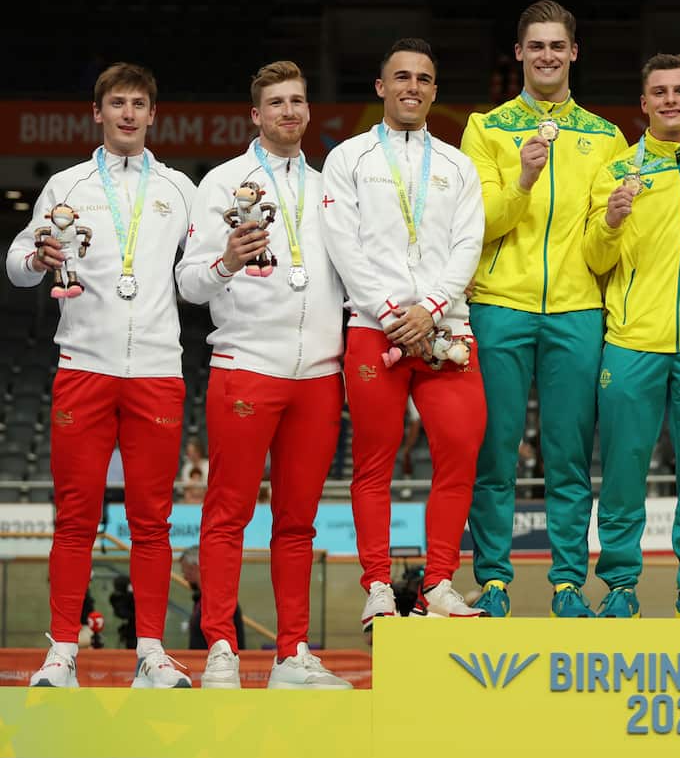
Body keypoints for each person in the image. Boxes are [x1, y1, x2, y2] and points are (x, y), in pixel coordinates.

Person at [8, 62, 194, 688]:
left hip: (157, 372)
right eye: (118, 103)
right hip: (83, 366)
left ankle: (150, 651)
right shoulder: (66, 185)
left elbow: (197, 274)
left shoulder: (177, 187)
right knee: (75, 518)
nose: (129, 113)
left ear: (152, 114)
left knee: (151, 520)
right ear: (98, 112)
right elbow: (16, 264)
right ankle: (62, 652)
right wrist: (37, 254)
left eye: (140, 103)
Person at [176, 60, 350, 690]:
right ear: (256, 114)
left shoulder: (331, 184)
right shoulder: (222, 182)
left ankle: (291, 655)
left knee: (299, 521)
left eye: (298, 101)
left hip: (319, 374)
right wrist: (225, 260)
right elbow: (188, 283)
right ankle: (221, 646)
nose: (288, 111)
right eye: (275, 102)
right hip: (247, 365)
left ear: (308, 112)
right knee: (227, 514)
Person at [461, 0, 627, 617]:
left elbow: (599, 243)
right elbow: (479, 221)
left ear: (573, 53)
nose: (548, 56)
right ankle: (495, 580)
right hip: (500, 304)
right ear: (520, 53)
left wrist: (610, 225)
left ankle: (566, 584)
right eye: (537, 47)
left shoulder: (606, 136)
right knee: (496, 452)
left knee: (568, 456)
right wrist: (523, 181)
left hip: (578, 310)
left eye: (558, 46)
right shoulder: (487, 128)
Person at [322, 38, 488, 630]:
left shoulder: (456, 165)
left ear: (434, 90)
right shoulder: (349, 158)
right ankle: (377, 586)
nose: (412, 87)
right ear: (381, 87)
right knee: (373, 462)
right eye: (401, 77)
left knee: (460, 455)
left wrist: (433, 308)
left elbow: (469, 242)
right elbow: (343, 243)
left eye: (423, 78)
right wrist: (397, 313)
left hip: (447, 328)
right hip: (375, 328)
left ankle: (438, 583)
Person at [583, 53, 680, 618]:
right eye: (660, 92)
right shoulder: (616, 173)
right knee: (624, 476)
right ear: (644, 104)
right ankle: (621, 587)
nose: (671, 99)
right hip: (631, 342)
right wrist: (611, 222)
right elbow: (593, 257)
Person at [179, 546, 245, 652]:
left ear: (195, 567)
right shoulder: (200, 601)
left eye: (185, 571)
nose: (185, 577)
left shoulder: (219, 601)